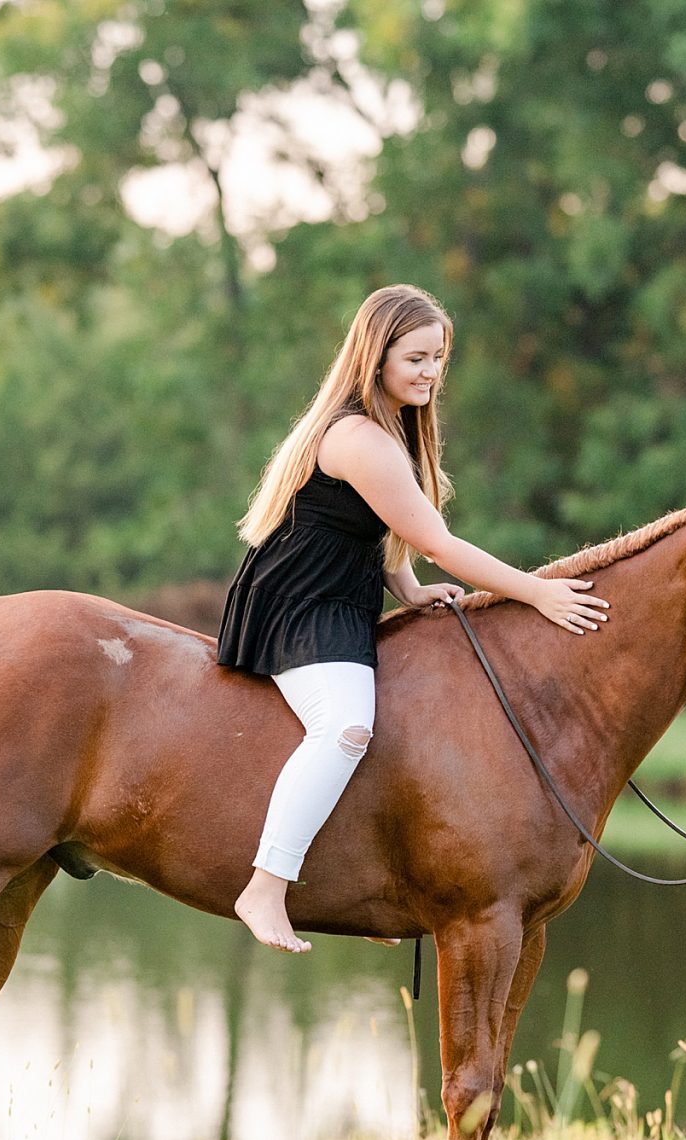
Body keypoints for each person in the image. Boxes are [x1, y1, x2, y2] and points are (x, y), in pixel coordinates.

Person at [215, 284, 612, 953]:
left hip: (345, 598)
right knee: (346, 725)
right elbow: (438, 541)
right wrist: (536, 591)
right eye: (416, 358)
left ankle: (373, 878)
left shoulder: (390, 431)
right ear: (376, 359)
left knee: (401, 726)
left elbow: (368, 530)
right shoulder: (356, 437)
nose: (430, 372)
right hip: (301, 608)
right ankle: (265, 885)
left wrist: (407, 588)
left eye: (438, 359)